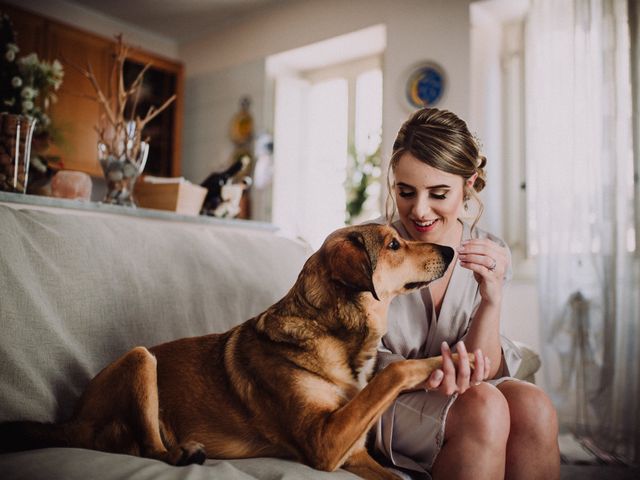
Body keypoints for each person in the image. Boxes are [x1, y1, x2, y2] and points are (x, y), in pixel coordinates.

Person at [373, 107, 560, 480]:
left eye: (438, 193)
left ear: (469, 184)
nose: (419, 210)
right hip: (382, 398)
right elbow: (346, 360)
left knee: (534, 405)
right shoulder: (367, 248)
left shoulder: (488, 250)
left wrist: (492, 299)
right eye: (405, 192)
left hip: (457, 396)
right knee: (484, 406)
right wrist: (429, 373)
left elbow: (482, 369)